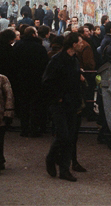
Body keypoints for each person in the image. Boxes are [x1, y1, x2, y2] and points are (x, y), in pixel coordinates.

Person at [43, 32, 86, 182]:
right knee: (63, 135)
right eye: (80, 42)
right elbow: (48, 81)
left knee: (70, 137)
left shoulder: (74, 59)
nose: (82, 44)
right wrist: (58, 97)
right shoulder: (57, 60)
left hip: (72, 103)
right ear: (73, 44)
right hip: (59, 104)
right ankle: (51, 158)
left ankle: (64, 170)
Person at [13, 27, 49, 137]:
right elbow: (44, 64)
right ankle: (34, 129)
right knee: (35, 105)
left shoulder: (18, 46)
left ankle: (24, 129)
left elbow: (13, 62)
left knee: (23, 104)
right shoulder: (39, 48)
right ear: (34, 34)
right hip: (36, 79)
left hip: (21, 79)